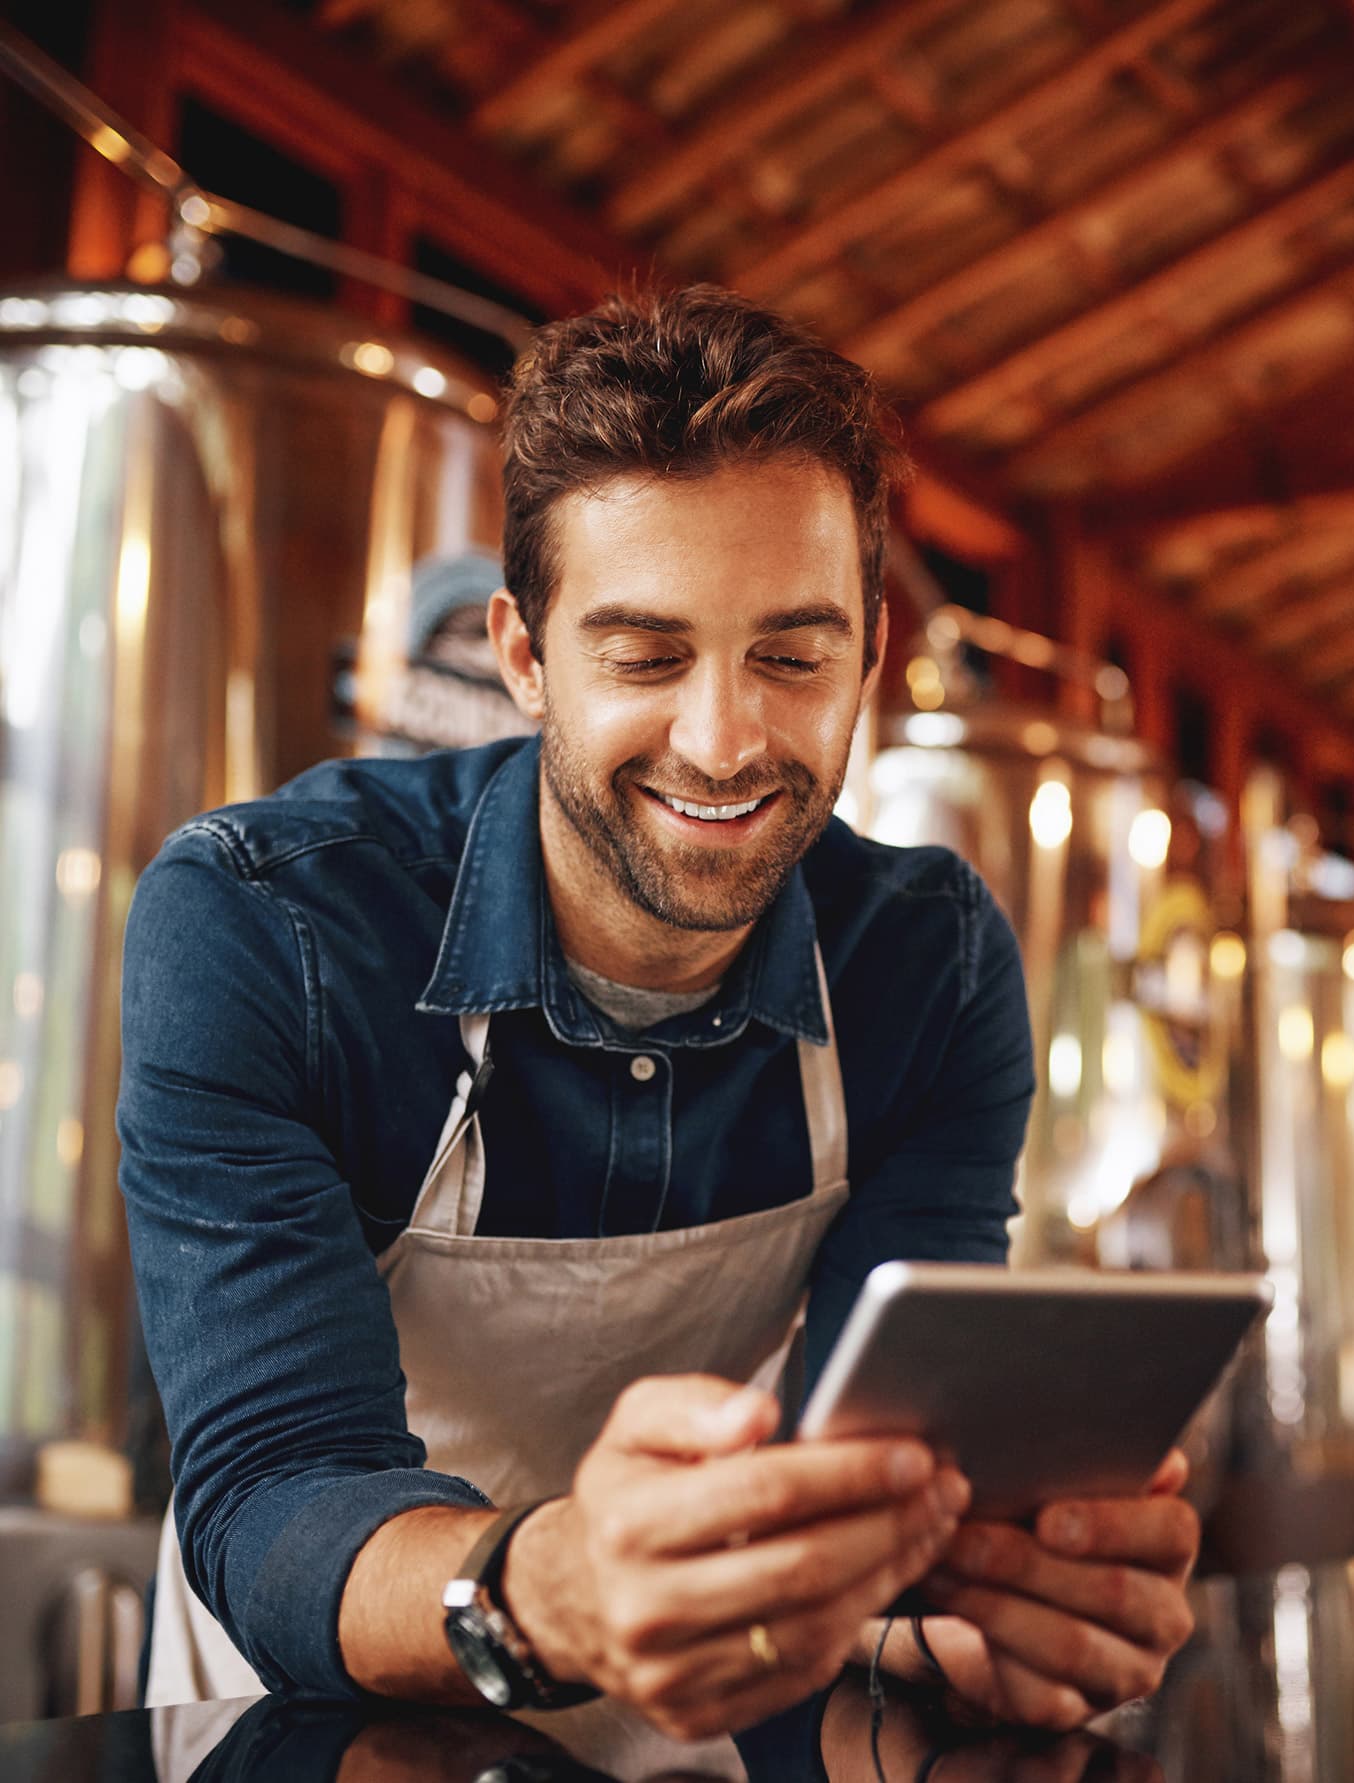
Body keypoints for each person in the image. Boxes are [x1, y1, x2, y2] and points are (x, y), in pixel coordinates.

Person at [118, 285, 1199, 1743]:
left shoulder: (925, 968)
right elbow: (279, 1486)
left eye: (793, 657)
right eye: (643, 655)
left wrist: (980, 1612)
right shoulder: (268, 926)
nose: (724, 739)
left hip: (711, 1737)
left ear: (870, 664)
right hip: (314, 1726)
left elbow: (865, 1459)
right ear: (522, 655)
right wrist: (542, 1592)